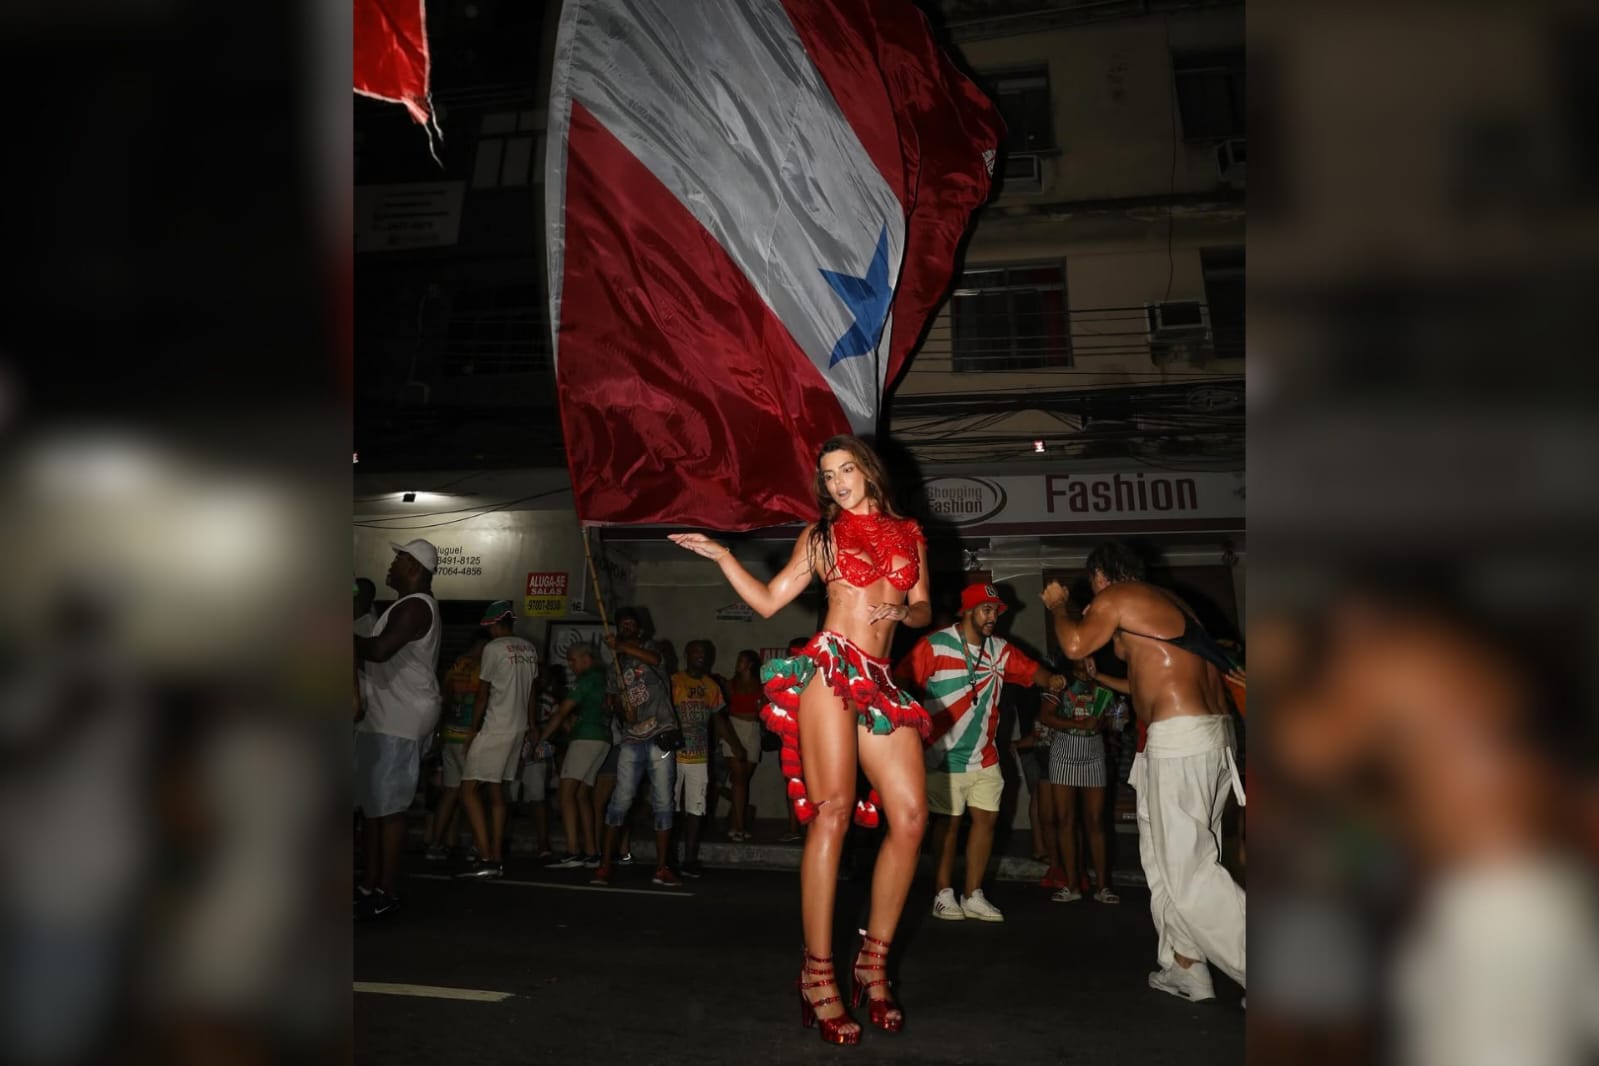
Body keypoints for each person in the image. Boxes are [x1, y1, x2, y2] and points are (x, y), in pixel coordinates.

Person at [670, 435, 932, 1044]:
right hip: (830, 667)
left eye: (846, 470)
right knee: (833, 812)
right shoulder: (820, 538)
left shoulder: (912, 534)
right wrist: (722, 557)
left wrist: (904, 616)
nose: (837, 482)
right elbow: (767, 602)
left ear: (868, 472)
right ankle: (818, 976)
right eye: (827, 475)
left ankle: (873, 963)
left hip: (882, 680)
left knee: (913, 818)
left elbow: (921, 606)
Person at [1042, 541, 1244, 1003]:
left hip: (1181, 739)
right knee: (1162, 862)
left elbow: (1074, 641)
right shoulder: (1169, 605)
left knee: (1190, 872)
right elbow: (1139, 685)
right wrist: (1099, 679)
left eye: (1093, 589)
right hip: (1194, 738)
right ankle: (1185, 966)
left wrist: (1059, 606)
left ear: (1100, 577)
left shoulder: (1122, 594)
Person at [899, 583, 1066, 924]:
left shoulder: (1000, 650)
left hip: (985, 755)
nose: (993, 618)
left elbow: (1034, 671)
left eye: (996, 612)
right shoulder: (935, 644)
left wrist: (1052, 680)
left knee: (986, 821)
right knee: (948, 823)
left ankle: (973, 894)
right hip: (941, 756)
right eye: (987, 610)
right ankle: (943, 894)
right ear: (968, 610)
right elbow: (901, 681)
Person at [354, 539, 442, 919]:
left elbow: (378, 650)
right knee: (374, 809)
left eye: (399, 558)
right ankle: (369, 884)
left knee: (389, 810)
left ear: (416, 568)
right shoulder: (403, 606)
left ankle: (387, 891)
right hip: (385, 714)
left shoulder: (416, 607)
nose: (391, 564)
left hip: (402, 718)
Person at [590, 608, 680, 888]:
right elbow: (613, 703)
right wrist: (620, 709)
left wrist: (624, 646)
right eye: (623, 625)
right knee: (620, 801)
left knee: (663, 802)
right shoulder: (616, 665)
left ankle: (662, 868)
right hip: (631, 739)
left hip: (660, 735)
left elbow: (655, 660)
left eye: (631, 624)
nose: (627, 627)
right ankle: (605, 865)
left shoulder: (654, 648)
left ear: (639, 630)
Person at [456, 601, 539, 879]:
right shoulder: (529, 649)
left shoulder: (493, 649)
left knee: (468, 790)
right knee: (495, 791)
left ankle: (485, 856)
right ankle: (497, 855)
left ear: (494, 624)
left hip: (496, 727)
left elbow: (483, 694)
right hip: (517, 728)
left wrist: (472, 730)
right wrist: (532, 726)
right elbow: (531, 695)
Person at [1035, 657, 1123, 903]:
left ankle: (1103, 887)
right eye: (1080, 656)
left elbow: (1115, 721)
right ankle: (1072, 885)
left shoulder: (1103, 686)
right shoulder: (1060, 684)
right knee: (1066, 820)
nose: (1086, 661)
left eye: (1090, 655)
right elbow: (1045, 716)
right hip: (1064, 753)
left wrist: (1112, 719)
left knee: (1095, 820)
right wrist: (1079, 724)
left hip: (1094, 753)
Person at [539, 643, 610, 869]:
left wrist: (541, 739)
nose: (570, 664)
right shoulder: (602, 678)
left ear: (586, 658)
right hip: (602, 738)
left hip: (586, 738)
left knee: (565, 793)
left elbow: (562, 712)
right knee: (581, 795)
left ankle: (572, 851)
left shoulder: (587, 679)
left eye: (572, 660)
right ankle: (591, 852)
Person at [671, 639, 737, 878]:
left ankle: (689, 859)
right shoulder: (674, 682)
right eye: (696, 651)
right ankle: (668, 857)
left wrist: (735, 745)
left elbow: (719, 719)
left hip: (699, 757)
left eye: (705, 653)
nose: (701, 655)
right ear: (686, 654)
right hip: (674, 756)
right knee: (671, 809)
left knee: (696, 809)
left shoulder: (711, 686)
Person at [424, 634, 488, 862]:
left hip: (450, 734)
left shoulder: (455, 666)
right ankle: (477, 847)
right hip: (469, 737)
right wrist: (474, 730)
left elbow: (444, 697)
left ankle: (435, 844)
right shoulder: (481, 668)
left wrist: (439, 732)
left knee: (451, 792)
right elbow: (481, 699)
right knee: (474, 794)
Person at [719, 649, 764, 841]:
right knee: (738, 779)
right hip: (734, 728)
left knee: (743, 781)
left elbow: (764, 710)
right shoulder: (731, 684)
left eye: (741, 660)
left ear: (750, 664)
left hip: (753, 730)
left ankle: (735, 822)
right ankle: (739, 826)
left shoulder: (760, 685)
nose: (738, 663)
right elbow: (722, 710)